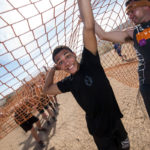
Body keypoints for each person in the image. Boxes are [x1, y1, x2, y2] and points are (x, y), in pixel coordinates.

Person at [43, 0, 130, 150]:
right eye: (60, 62)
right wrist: (52, 70)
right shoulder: (68, 82)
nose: (66, 62)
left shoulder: (90, 61)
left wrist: (84, 11)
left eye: (67, 55)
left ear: (74, 54)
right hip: (100, 132)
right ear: (60, 67)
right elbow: (47, 90)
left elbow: (89, 27)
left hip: (116, 121)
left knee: (127, 147)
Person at [94, 0, 150, 118]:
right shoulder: (133, 33)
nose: (129, 15)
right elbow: (103, 35)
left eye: (132, 10)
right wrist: (89, 21)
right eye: (127, 13)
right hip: (148, 84)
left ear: (146, 5)